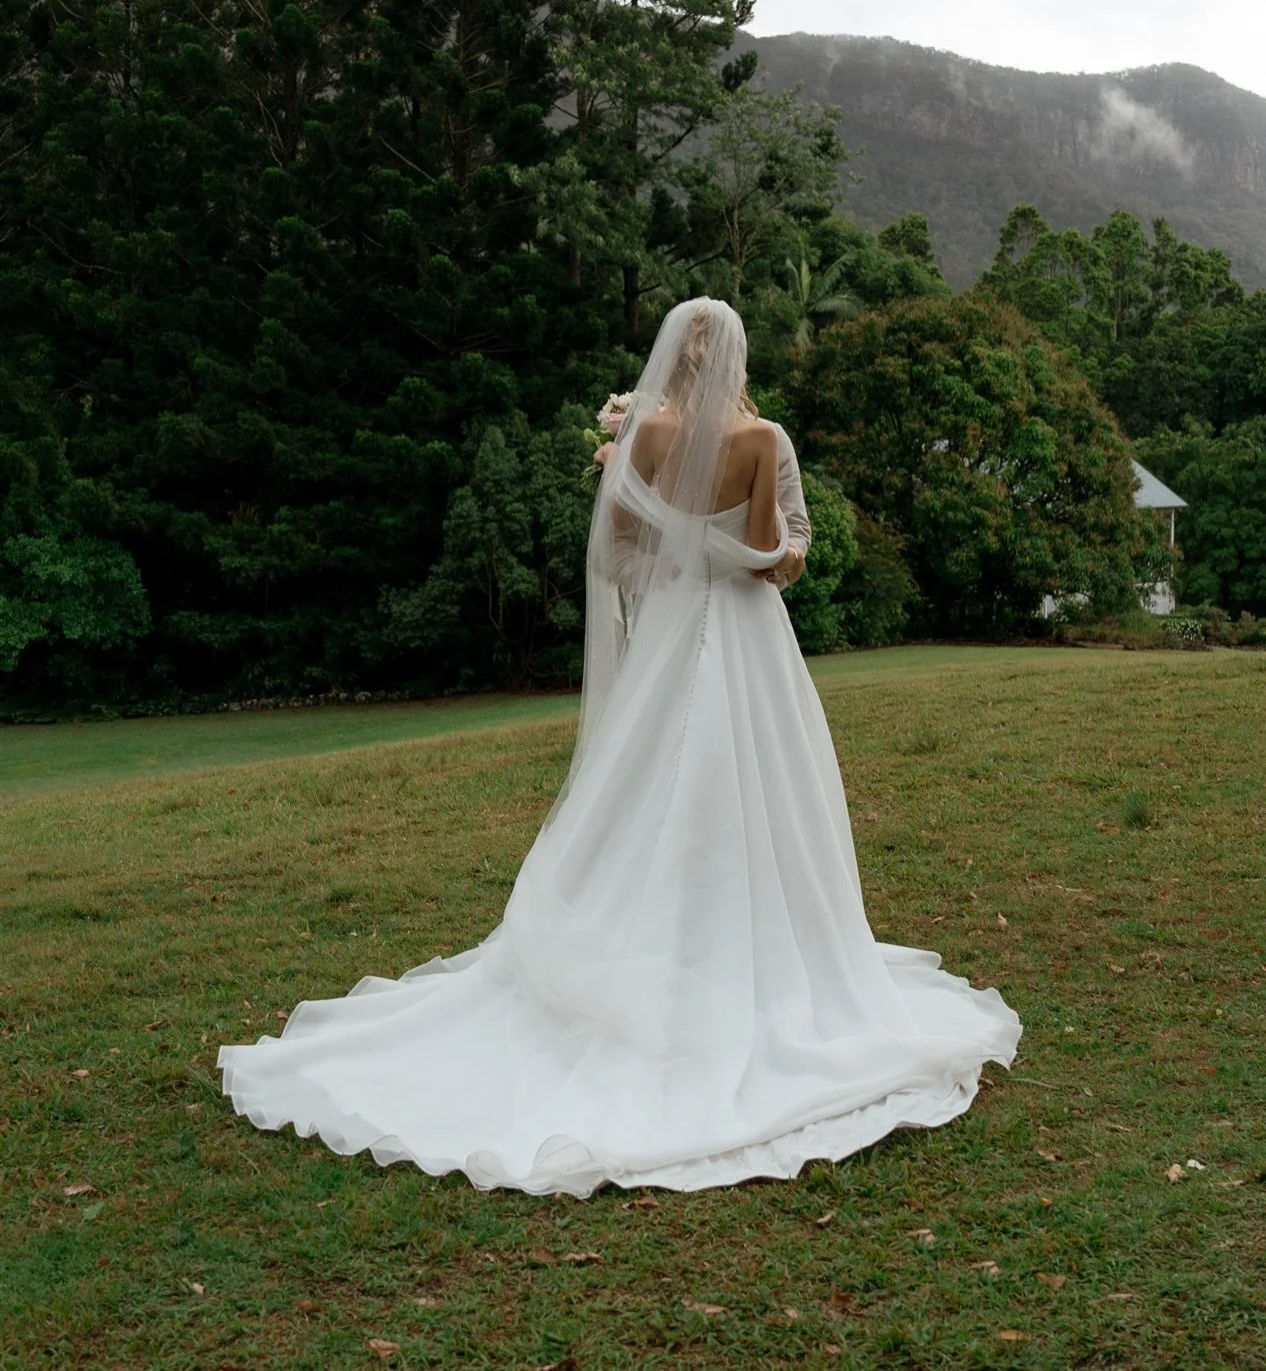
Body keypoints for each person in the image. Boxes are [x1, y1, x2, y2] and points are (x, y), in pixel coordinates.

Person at [218, 297, 1020, 1195]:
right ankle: (759, 959)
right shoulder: (764, 440)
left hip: (674, 636)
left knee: (647, 787)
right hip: (750, 638)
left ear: (671, 357)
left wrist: (666, 527)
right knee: (757, 788)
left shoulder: (640, 438)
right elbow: (776, 555)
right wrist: (772, 551)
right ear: (737, 356)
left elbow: (619, 558)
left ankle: (642, 946)